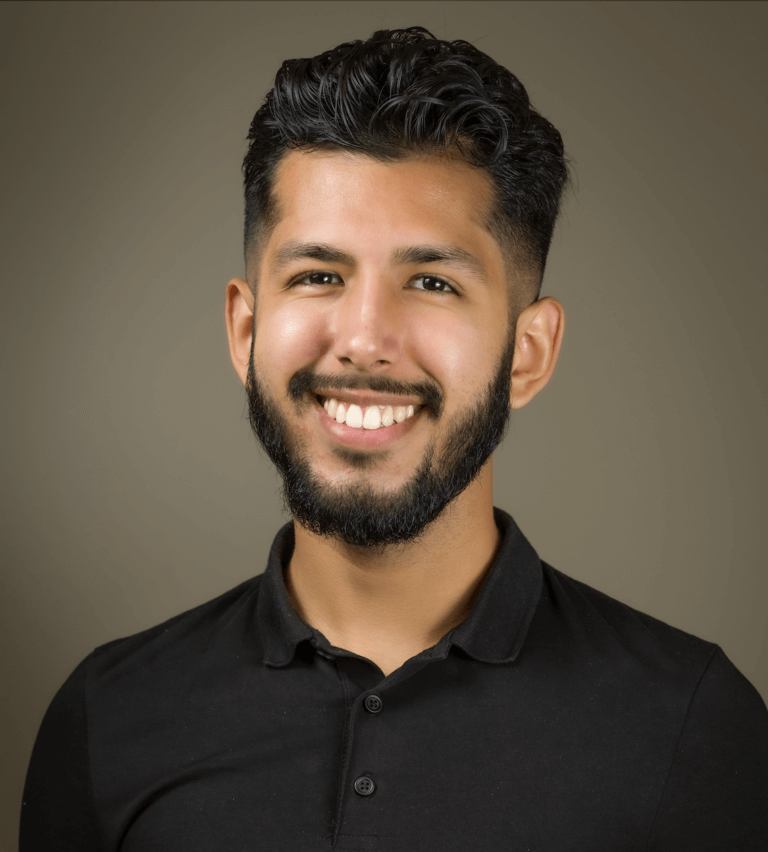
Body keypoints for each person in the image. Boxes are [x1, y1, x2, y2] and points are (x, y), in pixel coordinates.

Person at [21, 27, 767, 851]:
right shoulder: (109, 717)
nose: (365, 337)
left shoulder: (695, 724)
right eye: (317, 276)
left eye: (432, 282)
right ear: (244, 328)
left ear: (529, 353)